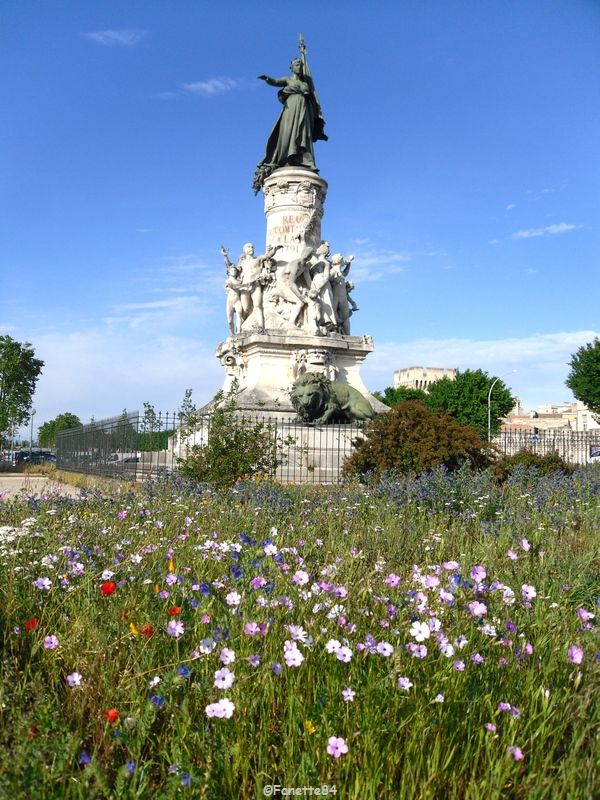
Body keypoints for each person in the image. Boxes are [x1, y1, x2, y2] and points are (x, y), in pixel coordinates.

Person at [253, 57, 327, 193]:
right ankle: (286, 157)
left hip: (304, 111)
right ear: (291, 67)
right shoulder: (288, 79)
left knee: (303, 133)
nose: (299, 66)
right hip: (291, 109)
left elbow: (313, 98)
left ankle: (304, 159)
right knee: (287, 133)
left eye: (300, 64)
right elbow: (275, 81)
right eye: (296, 64)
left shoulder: (306, 84)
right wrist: (268, 79)